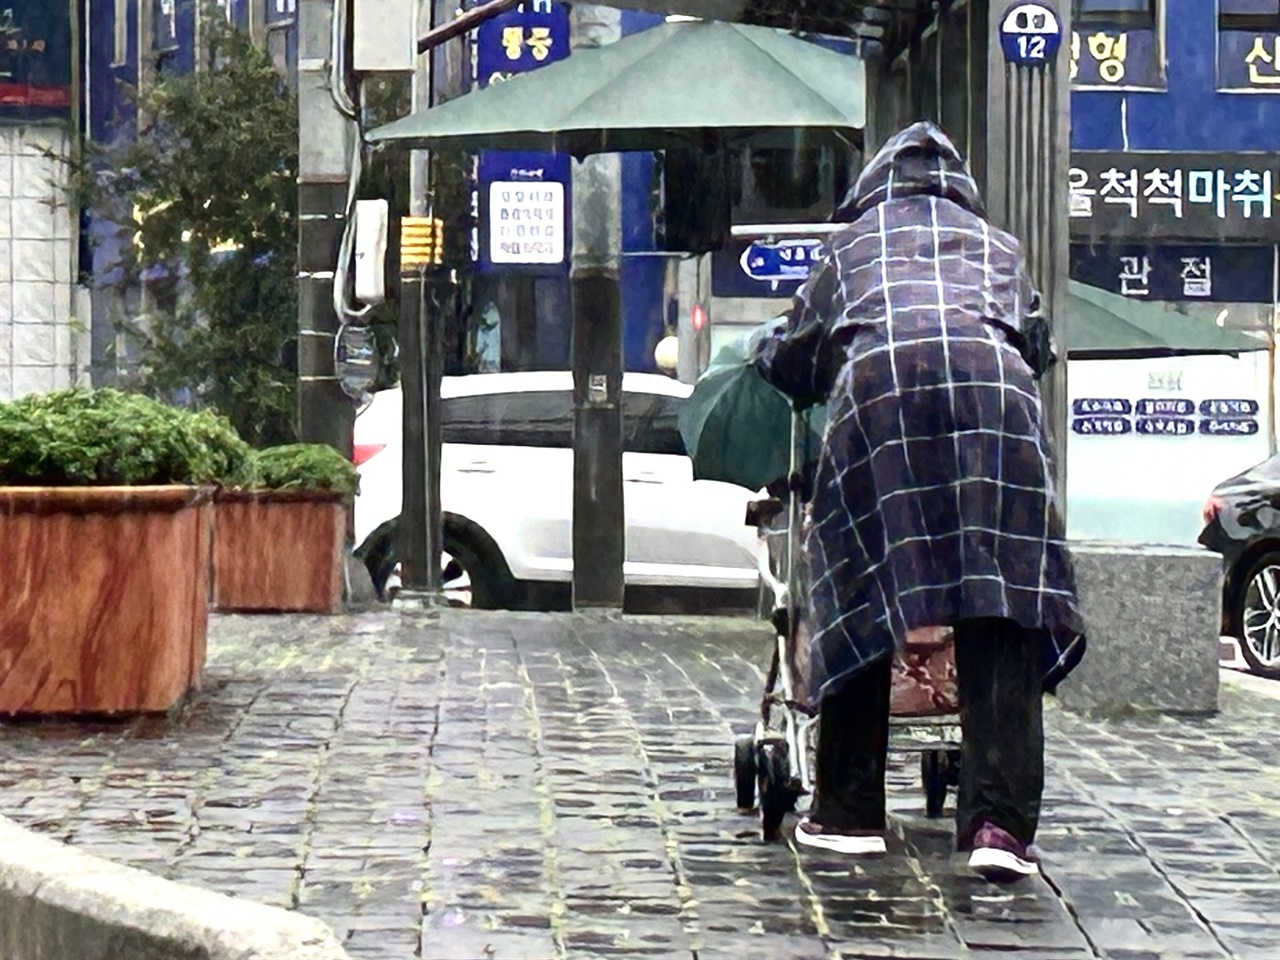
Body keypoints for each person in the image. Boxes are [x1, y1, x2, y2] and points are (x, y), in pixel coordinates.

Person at [754, 121, 1086, 883]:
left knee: (864, 581)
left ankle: (847, 811)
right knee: (1002, 602)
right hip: (998, 406)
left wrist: (768, 353)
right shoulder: (998, 248)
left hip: (881, 398)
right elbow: (1033, 344)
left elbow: (794, 355)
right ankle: (999, 827)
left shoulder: (850, 248)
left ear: (874, 186)